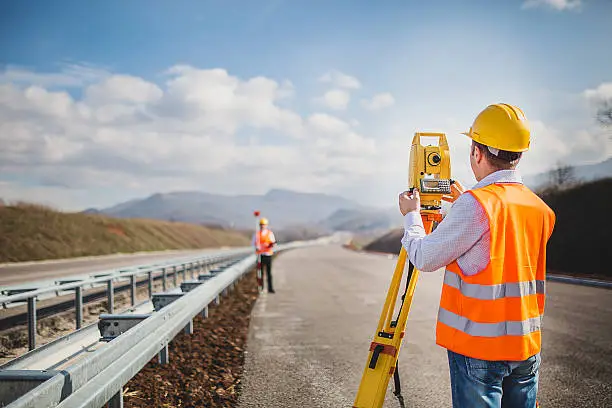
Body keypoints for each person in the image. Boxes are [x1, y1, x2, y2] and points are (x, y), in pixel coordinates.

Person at [398, 103, 555, 408]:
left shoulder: (476, 206)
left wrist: (411, 217)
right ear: (518, 154)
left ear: (477, 153)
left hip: (480, 350)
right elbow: (499, 237)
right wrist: (466, 200)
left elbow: (425, 257)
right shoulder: (539, 208)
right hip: (525, 348)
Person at [253, 217, 276, 293]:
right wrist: (257, 247)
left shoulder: (270, 233)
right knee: (260, 273)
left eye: (264, 224)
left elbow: (273, 243)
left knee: (269, 273)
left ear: (266, 225)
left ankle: (270, 288)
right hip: (260, 255)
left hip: (268, 255)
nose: (263, 226)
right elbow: (254, 243)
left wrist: (270, 245)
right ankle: (261, 287)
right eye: (261, 225)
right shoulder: (257, 234)